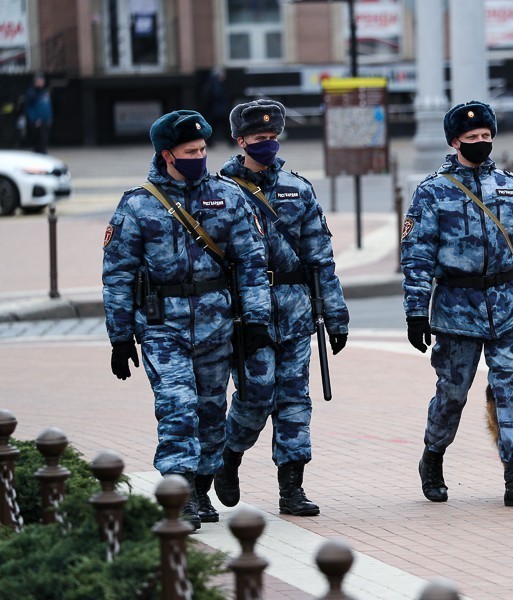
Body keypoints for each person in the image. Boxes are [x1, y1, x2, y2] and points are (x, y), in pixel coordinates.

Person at [102, 109, 272, 530]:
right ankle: (178, 493)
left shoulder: (227, 196)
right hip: (162, 326)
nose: (199, 156)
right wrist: (120, 337)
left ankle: (201, 482)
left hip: (217, 324)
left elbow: (251, 262)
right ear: (166, 155)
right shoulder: (138, 204)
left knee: (212, 412)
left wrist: (255, 320)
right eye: (189, 151)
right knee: (178, 408)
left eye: (202, 149)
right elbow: (117, 274)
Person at [401, 100, 513, 509]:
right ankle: (432, 457)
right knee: (452, 392)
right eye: (472, 138)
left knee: (509, 390)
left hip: (506, 305)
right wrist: (416, 311)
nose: (481, 143)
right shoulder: (433, 192)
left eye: (487, 137)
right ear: (454, 142)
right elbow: (416, 256)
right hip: (456, 308)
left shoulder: (511, 186)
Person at [214, 99, 350, 517]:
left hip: (295, 312)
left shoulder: (298, 188)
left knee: (294, 399)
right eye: (259, 139)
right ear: (241, 141)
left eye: (273, 138)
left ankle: (292, 487)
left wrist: (335, 315)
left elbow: (319, 257)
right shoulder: (220, 193)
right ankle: (228, 455)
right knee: (256, 396)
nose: (268, 145)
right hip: (245, 314)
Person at [23, 73, 52, 153]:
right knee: (38, 141)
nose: (40, 82)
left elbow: (48, 106)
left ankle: (43, 154)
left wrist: (49, 118)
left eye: (42, 81)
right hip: (37, 121)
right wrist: (34, 119)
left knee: (44, 140)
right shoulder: (31, 93)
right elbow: (28, 108)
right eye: (38, 81)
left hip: (45, 120)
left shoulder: (44, 92)